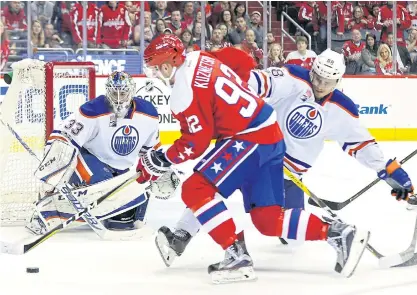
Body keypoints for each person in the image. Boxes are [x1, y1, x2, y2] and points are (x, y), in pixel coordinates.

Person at [152, 46, 414, 277]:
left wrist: (391, 172)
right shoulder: (292, 78)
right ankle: (182, 236)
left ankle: (336, 233)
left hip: (286, 172)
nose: (320, 85)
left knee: (273, 224)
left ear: (338, 80)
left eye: (327, 81)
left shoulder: (342, 109)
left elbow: (363, 145)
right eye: (317, 77)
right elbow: (255, 82)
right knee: (209, 185)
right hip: (257, 146)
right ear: (312, 70)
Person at [27, 71, 179, 235]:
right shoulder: (93, 110)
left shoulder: (149, 113)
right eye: (115, 92)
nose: (119, 97)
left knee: (127, 218)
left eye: (123, 92)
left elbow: (150, 151)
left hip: (121, 171)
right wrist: (52, 177)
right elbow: (62, 139)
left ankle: (95, 210)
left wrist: (161, 170)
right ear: (108, 91)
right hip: (91, 161)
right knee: (104, 187)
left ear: (132, 91)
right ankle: (46, 210)